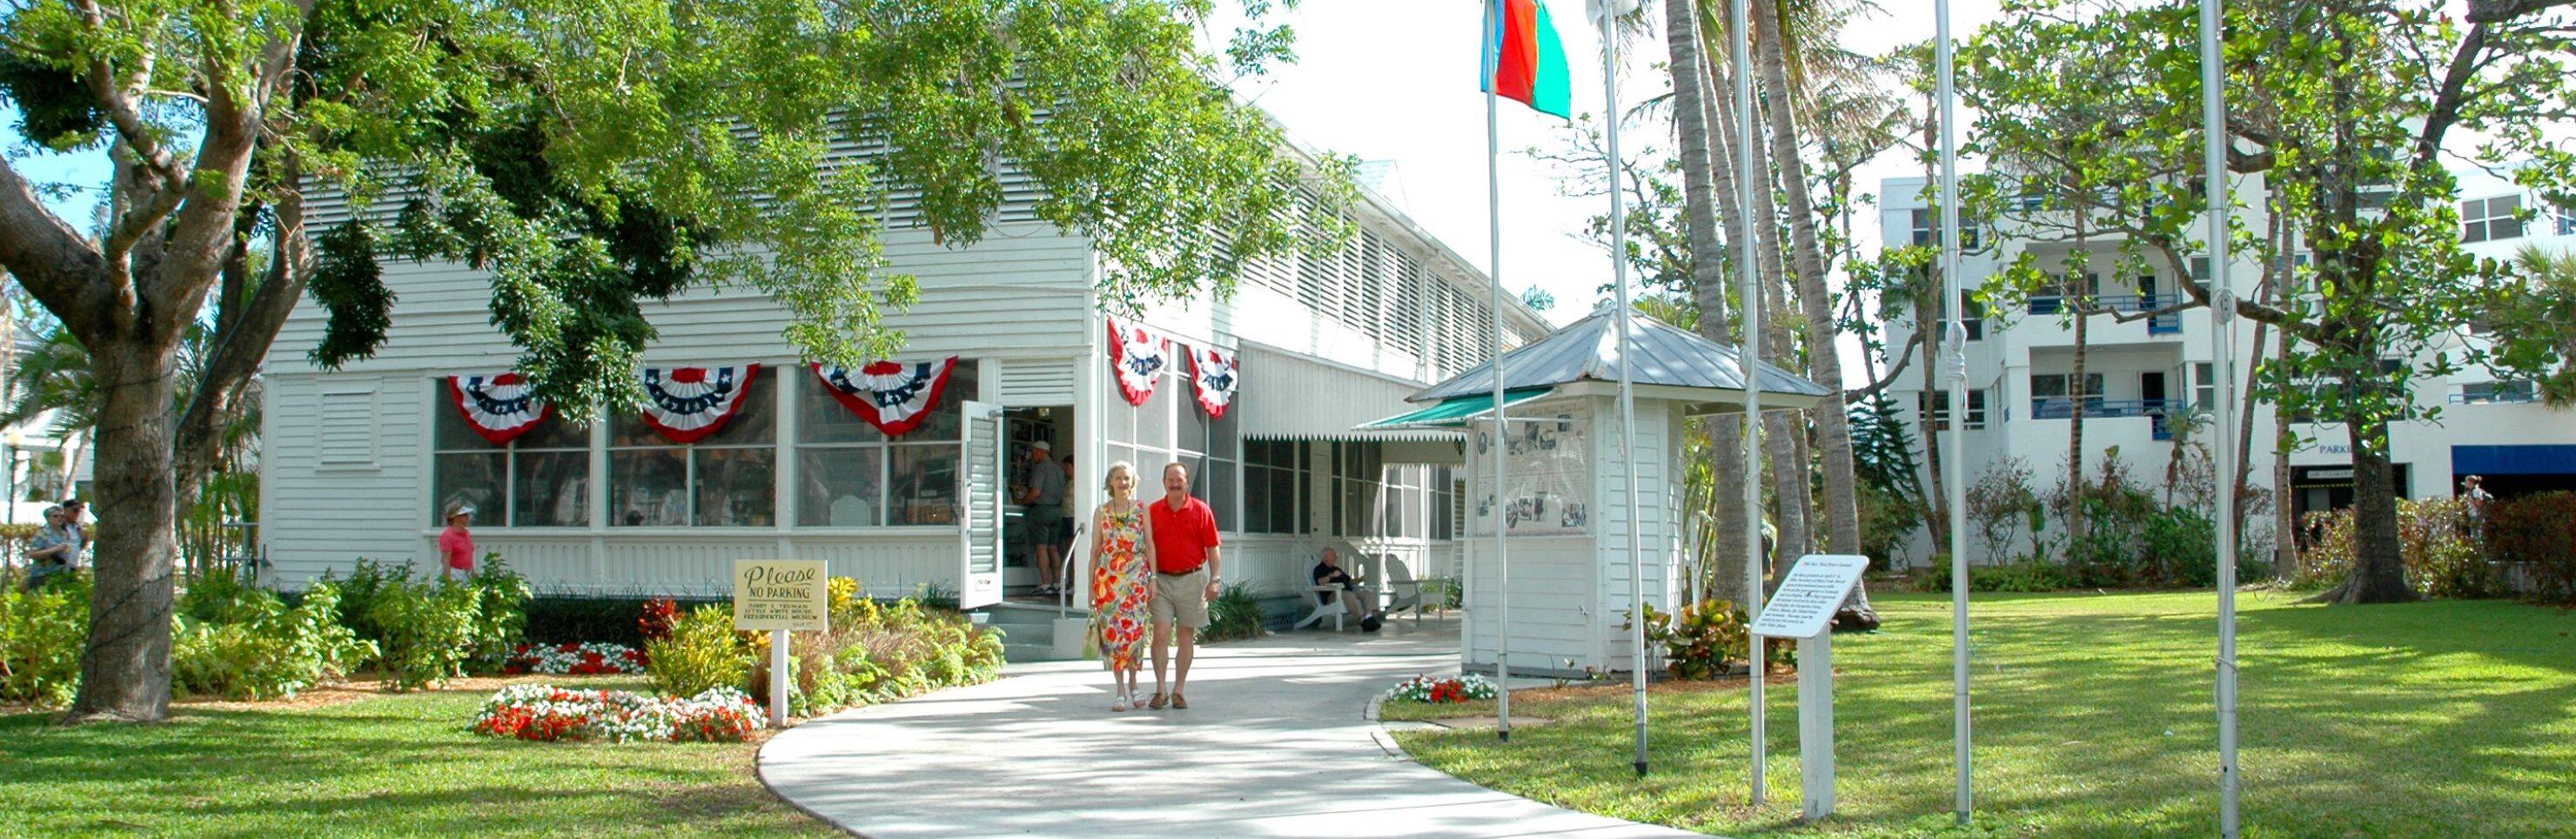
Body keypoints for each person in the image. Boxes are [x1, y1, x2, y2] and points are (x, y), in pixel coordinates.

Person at [1144, 461, 1221, 710]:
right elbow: (1144, 547)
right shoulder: (1152, 511)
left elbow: (1213, 548)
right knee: (1161, 634)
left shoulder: (1201, 510)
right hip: (1161, 581)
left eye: (1179, 479)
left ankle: (1179, 690)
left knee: (1186, 635)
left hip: (1192, 580)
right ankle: (1160, 690)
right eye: (1170, 479)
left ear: (1187, 482)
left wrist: (1215, 579)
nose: (1175, 483)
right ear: (1163, 482)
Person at [1089, 461, 1157, 711]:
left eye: (1127, 478)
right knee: (1113, 635)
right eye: (1118, 478)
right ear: (1110, 482)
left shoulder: (1141, 510)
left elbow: (1149, 545)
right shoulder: (1102, 512)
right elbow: (1095, 551)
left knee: (1134, 634)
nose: (1123, 482)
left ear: (1133, 481)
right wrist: (1089, 588)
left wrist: (1154, 578)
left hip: (1136, 579)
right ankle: (1119, 689)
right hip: (1109, 581)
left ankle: (1135, 684)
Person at [1018, 440, 1069, 594]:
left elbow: (1035, 492)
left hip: (1041, 511)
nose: (1032, 455)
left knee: (1041, 548)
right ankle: (1058, 583)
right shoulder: (1059, 469)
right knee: (1054, 548)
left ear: (1041, 452)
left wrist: (1022, 500)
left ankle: (1045, 584)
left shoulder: (1040, 468)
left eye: (1034, 452)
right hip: (1057, 511)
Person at [1311, 547, 1382, 631]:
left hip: (1347, 592)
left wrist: (1361, 579)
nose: (1336, 557)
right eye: (1333, 555)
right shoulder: (1319, 569)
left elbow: (1350, 582)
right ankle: (1362, 620)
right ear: (1326, 557)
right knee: (1349, 595)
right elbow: (1320, 582)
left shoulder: (1336, 569)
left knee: (1367, 594)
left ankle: (1369, 617)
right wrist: (1332, 575)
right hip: (1333, 596)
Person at [21, 506, 75, 591]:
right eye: (55, 516)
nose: (59, 518)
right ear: (47, 518)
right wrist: (55, 549)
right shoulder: (42, 534)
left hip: (59, 573)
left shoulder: (64, 534)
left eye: (62, 516)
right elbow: (33, 554)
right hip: (42, 574)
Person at [439, 500, 477, 581]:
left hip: (467, 574)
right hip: (454, 574)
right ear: (456, 518)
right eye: (464, 515)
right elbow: (446, 560)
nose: (468, 517)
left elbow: (468, 556)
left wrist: (473, 574)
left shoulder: (466, 533)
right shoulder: (447, 535)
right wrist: (448, 582)